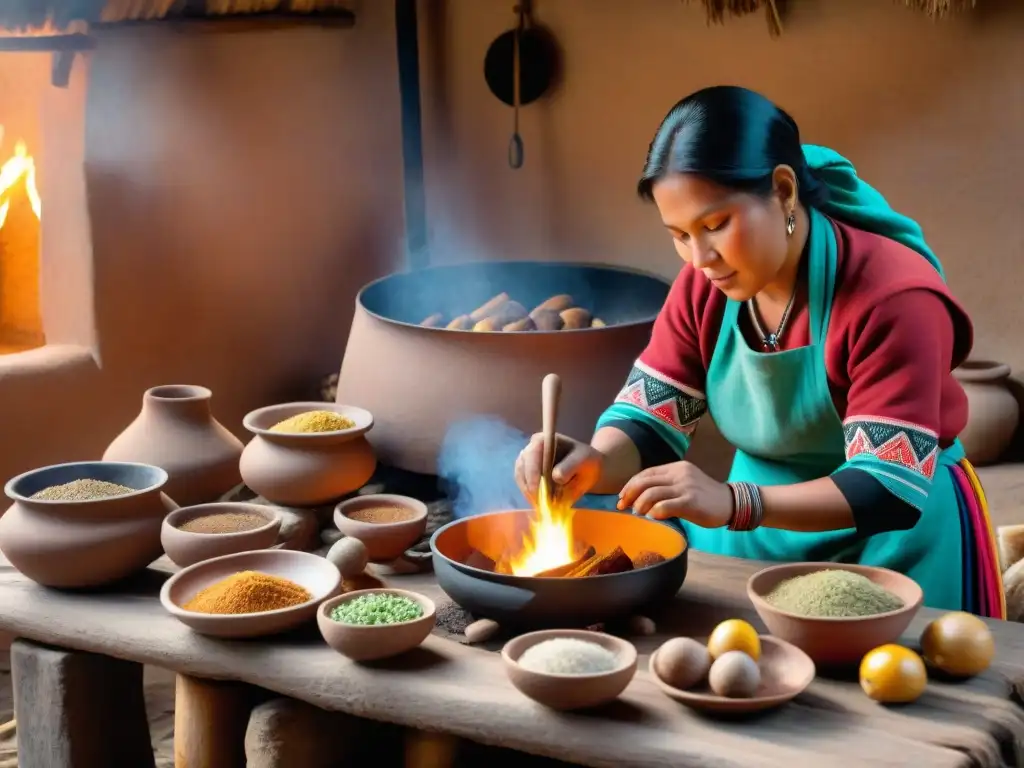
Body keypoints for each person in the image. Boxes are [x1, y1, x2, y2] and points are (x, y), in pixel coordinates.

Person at [514, 85, 1005, 618]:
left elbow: (885, 487)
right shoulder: (705, 285)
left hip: (893, 539)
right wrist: (594, 463)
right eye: (678, 234)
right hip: (753, 535)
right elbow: (650, 423)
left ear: (783, 189)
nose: (700, 257)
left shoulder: (893, 298)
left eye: (716, 225)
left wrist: (734, 501)